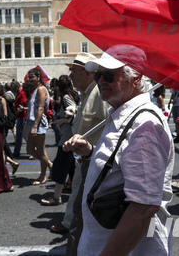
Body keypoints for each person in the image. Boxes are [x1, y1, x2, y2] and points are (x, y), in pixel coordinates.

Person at [63, 52, 174, 256]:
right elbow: (119, 166)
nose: (101, 81)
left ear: (137, 77)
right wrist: (90, 152)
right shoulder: (121, 112)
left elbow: (144, 207)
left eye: (110, 75)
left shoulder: (144, 127)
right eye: (98, 76)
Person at [49, 53, 109, 256]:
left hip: (94, 161)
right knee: (78, 203)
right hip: (83, 158)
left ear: (89, 73)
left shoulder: (99, 94)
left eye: (74, 71)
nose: (70, 75)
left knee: (81, 209)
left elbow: (112, 126)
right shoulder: (85, 94)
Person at [41, 75, 79, 206]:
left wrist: (62, 120)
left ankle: (57, 197)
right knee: (72, 167)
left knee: (60, 166)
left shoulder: (67, 97)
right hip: (71, 136)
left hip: (67, 138)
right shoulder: (72, 94)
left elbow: (74, 112)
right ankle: (75, 191)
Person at [26, 67, 53, 185]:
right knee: (30, 149)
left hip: (39, 124)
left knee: (41, 152)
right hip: (33, 122)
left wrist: (36, 126)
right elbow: (35, 107)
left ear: (38, 77)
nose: (30, 79)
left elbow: (41, 108)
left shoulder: (41, 90)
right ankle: (50, 164)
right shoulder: (35, 89)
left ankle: (43, 176)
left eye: (32, 77)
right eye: (29, 77)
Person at [12, 81, 27, 158]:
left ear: (18, 87)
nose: (13, 91)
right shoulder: (18, 93)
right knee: (20, 135)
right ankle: (16, 151)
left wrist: (15, 115)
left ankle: (17, 152)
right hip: (20, 116)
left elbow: (22, 105)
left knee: (21, 135)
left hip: (22, 117)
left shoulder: (22, 93)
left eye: (14, 89)